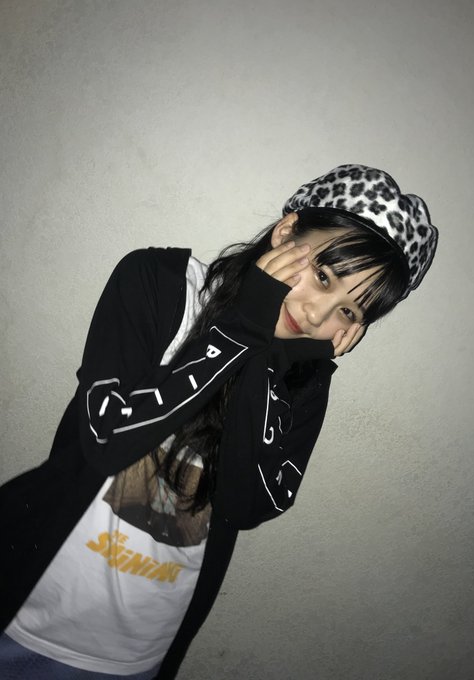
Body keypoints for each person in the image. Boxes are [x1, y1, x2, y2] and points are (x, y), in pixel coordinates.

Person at [0, 164, 438, 679]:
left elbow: (245, 506)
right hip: (23, 608)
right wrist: (242, 327)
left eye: (348, 313)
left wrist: (276, 361)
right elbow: (106, 441)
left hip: (134, 655)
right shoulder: (160, 283)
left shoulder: (303, 380)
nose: (318, 316)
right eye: (323, 277)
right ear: (286, 232)